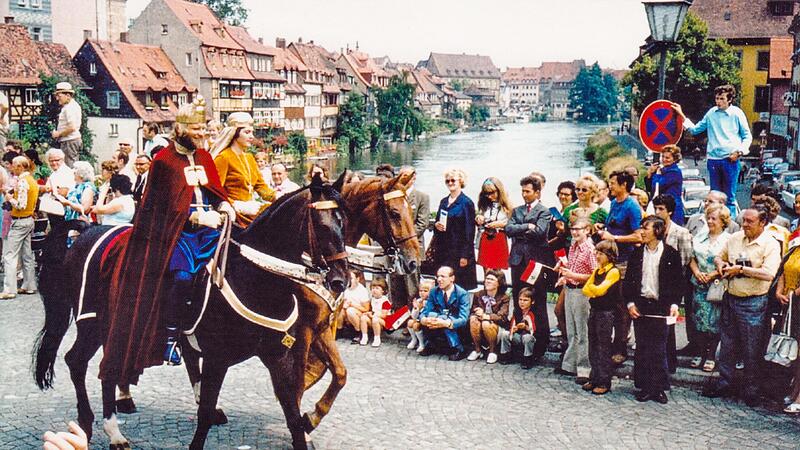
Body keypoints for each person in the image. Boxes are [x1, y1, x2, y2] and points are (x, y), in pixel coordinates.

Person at [100, 96, 234, 381]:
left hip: (210, 230)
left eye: (205, 128)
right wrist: (193, 218)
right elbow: (156, 209)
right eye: (197, 129)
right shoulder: (163, 162)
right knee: (183, 277)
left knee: (237, 261)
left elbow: (214, 191)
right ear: (181, 128)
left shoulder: (205, 157)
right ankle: (171, 338)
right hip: (178, 234)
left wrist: (223, 205)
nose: (203, 134)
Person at [703, 206, 781, 407]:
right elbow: (720, 256)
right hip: (731, 297)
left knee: (752, 347)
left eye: (749, 222)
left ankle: (752, 389)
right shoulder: (735, 238)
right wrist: (721, 264)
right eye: (743, 220)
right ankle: (725, 383)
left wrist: (742, 269)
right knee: (727, 344)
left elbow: (769, 273)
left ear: (762, 223)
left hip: (753, 302)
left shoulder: (769, 244)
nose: (744, 225)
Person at [624, 216, 682, 404]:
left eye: (646, 228)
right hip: (641, 304)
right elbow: (629, 282)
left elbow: (676, 282)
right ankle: (644, 386)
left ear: (657, 231)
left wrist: (674, 304)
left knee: (658, 348)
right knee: (642, 347)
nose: (642, 231)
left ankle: (658, 387)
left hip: (661, 305)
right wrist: (630, 303)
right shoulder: (637, 253)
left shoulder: (671, 254)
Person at [674, 85, 753, 216]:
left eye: (722, 98)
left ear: (729, 99)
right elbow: (695, 130)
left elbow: (747, 136)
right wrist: (681, 114)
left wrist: (739, 152)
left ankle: (730, 224)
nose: (718, 101)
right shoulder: (711, 113)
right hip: (714, 159)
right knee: (715, 195)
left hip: (730, 159)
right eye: (717, 98)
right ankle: (714, 220)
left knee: (729, 197)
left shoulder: (737, 113)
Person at [598, 170, 642, 364]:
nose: (610, 187)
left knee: (622, 306)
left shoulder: (632, 206)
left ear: (624, 185)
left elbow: (638, 236)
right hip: (611, 260)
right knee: (610, 304)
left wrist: (614, 237)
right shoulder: (614, 203)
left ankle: (620, 347)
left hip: (624, 262)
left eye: (613, 184)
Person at [506, 175, 552, 359]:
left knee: (537, 302)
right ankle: (518, 341)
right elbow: (509, 229)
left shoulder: (544, 211)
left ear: (537, 192)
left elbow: (540, 233)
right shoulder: (516, 210)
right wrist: (527, 226)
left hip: (534, 263)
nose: (524, 195)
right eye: (523, 191)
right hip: (518, 261)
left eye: (528, 191)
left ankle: (539, 344)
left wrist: (520, 229)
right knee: (519, 301)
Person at [688, 205, 731, 373]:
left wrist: (713, 274)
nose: (710, 221)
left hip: (716, 286)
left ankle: (711, 355)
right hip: (699, 283)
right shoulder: (701, 235)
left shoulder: (728, 239)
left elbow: (729, 262)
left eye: (714, 218)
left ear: (723, 221)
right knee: (698, 320)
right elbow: (692, 257)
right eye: (709, 218)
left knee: (715, 322)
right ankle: (699, 352)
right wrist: (697, 272)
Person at [554, 217, 597, 384]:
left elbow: (595, 275)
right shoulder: (573, 246)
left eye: (578, 229)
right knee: (572, 330)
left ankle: (584, 370)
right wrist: (565, 276)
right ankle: (569, 364)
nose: (574, 232)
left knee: (582, 332)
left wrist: (574, 276)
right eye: (572, 229)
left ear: (587, 230)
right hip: (570, 290)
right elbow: (571, 268)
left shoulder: (590, 249)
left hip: (582, 292)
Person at [211, 112, 275, 224]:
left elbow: (261, 188)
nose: (252, 136)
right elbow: (215, 192)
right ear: (235, 134)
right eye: (247, 132)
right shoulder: (224, 157)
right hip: (234, 214)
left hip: (252, 211)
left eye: (252, 132)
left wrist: (280, 197)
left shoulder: (250, 158)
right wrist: (236, 205)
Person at [582, 240, 622, 395]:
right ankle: (594, 377)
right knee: (593, 344)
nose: (597, 256)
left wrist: (593, 290)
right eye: (596, 253)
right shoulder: (597, 271)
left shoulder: (613, 271)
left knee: (603, 347)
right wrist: (593, 290)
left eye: (600, 254)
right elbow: (587, 289)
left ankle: (604, 381)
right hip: (595, 310)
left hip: (606, 312)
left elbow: (599, 290)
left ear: (609, 255)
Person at [430, 168, 477, 290]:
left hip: (458, 251)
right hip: (443, 250)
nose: (450, 183)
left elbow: (469, 231)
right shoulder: (444, 201)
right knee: (441, 283)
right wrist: (436, 226)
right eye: (447, 181)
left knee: (458, 285)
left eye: (453, 180)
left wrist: (465, 256)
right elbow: (437, 223)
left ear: (460, 181)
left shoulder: (466, 203)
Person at [0, 156, 38, 299]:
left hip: (20, 220)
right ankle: (29, 285)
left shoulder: (22, 182)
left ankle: (9, 289)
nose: (12, 168)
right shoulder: (32, 181)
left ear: (21, 167)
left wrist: (9, 198)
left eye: (15, 166)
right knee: (27, 254)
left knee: (10, 255)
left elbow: (20, 205)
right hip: (28, 220)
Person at [418, 266, 471, 361]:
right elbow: (425, 311)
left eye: (443, 276)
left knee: (442, 318)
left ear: (452, 278)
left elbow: (463, 318)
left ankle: (458, 348)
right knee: (431, 315)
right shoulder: (434, 291)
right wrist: (424, 320)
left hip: (454, 325)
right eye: (438, 276)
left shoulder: (462, 293)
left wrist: (446, 322)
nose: (439, 279)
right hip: (437, 321)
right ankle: (432, 344)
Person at [466, 269, 510, 364]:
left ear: (499, 283)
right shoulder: (478, 294)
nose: (488, 281)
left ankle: (492, 352)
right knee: (473, 319)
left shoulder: (504, 297)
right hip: (479, 323)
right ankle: (477, 350)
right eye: (487, 279)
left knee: (486, 323)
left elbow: (502, 317)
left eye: (491, 279)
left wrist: (486, 316)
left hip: (497, 326)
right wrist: (477, 311)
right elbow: (472, 310)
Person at [476, 177, 512, 271]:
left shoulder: (507, 205)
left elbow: (513, 223)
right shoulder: (484, 204)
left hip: (499, 238)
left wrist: (502, 224)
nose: (489, 196)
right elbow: (479, 217)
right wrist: (479, 218)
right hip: (486, 237)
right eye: (486, 193)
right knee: (486, 269)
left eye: (492, 193)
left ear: (499, 191)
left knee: (497, 272)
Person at [498, 287, 537, 369]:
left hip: (530, 338)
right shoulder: (517, 311)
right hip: (518, 336)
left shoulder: (535, 313)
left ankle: (528, 358)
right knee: (505, 334)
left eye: (525, 300)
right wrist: (514, 329)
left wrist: (526, 327)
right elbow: (511, 325)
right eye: (520, 300)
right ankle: (505, 354)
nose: (522, 302)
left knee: (527, 337)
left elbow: (537, 330)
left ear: (532, 301)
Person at [647, 145, 685, 225]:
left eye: (667, 158)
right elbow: (650, 188)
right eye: (663, 157)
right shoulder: (663, 170)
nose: (664, 160)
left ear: (674, 159)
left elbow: (657, 186)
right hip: (663, 206)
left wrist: (657, 175)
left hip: (673, 207)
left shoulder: (674, 172)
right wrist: (650, 174)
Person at [51, 82, 82, 167]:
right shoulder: (70, 106)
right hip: (70, 141)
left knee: (70, 167)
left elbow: (72, 127)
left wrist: (58, 134)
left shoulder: (69, 108)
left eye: (59, 96)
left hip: (69, 141)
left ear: (68, 95)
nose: (57, 99)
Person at [400, 166, 430, 250]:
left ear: (413, 179)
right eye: (400, 175)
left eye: (406, 176)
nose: (402, 178)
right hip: (395, 245)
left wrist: (405, 238)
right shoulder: (393, 196)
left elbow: (422, 223)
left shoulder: (422, 197)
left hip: (415, 244)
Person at [359, 278, 391, 347]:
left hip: (385, 322)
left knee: (375, 319)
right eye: (373, 288)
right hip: (374, 318)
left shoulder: (385, 301)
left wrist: (374, 316)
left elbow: (384, 315)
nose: (374, 290)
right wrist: (369, 313)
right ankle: (364, 336)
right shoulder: (373, 299)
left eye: (377, 288)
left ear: (383, 290)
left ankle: (377, 338)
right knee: (363, 318)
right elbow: (372, 310)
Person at [342, 270, 371, 342]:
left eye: (351, 278)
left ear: (357, 279)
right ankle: (340, 330)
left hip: (359, 313)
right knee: (340, 311)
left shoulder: (362, 291)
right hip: (347, 311)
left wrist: (352, 305)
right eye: (347, 277)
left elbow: (366, 309)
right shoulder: (346, 288)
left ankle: (358, 332)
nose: (348, 280)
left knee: (350, 311)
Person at [406, 278, 434, 351]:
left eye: (425, 291)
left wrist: (425, 306)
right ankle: (414, 340)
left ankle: (422, 343)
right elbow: (413, 316)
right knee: (410, 322)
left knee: (415, 325)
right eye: (420, 291)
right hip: (418, 319)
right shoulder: (418, 301)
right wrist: (416, 308)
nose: (422, 293)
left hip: (426, 320)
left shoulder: (430, 301)